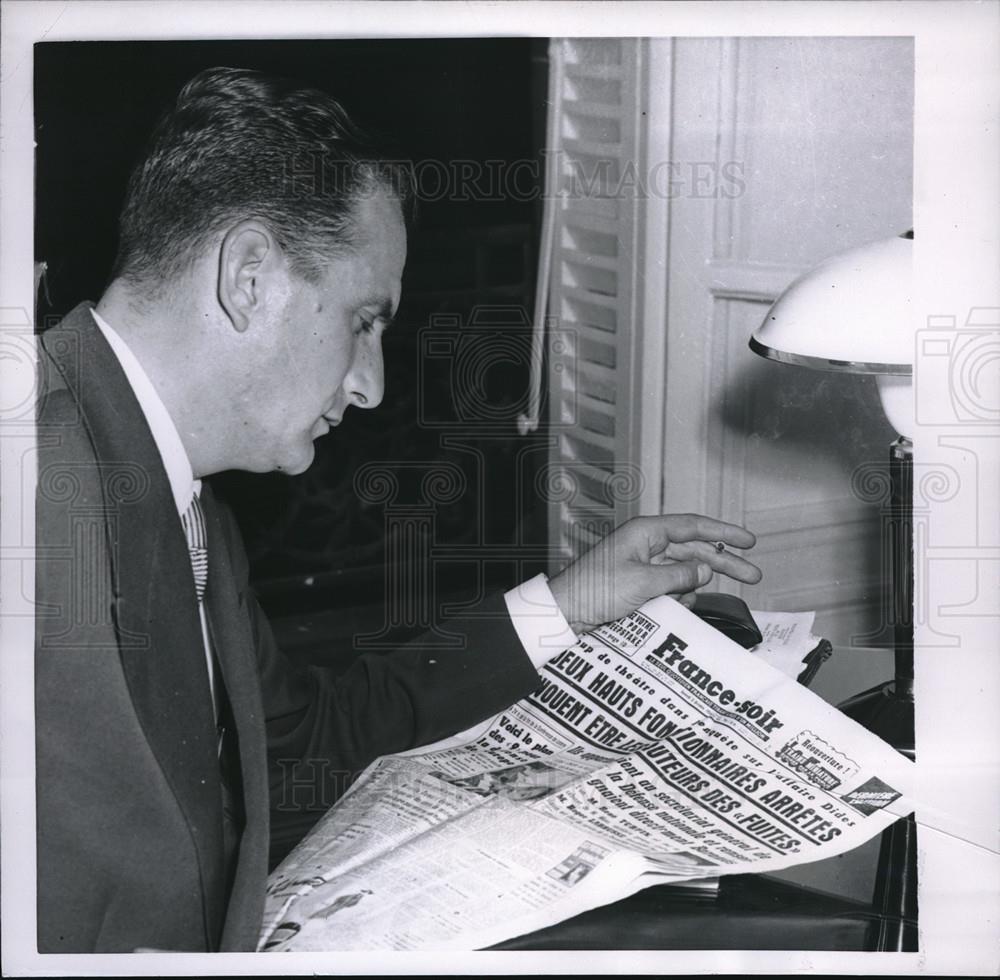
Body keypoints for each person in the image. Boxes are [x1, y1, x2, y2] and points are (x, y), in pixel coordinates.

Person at [34, 66, 762, 953]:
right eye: (365, 321)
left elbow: (293, 756)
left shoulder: (185, 492)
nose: (372, 387)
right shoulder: (31, 488)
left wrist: (568, 604)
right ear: (250, 277)